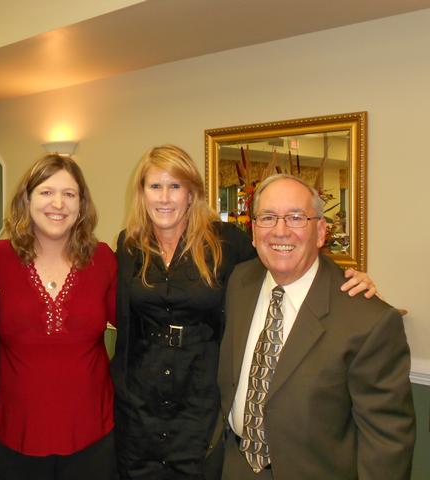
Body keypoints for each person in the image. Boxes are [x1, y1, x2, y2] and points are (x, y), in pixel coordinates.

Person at [111, 145, 378, 480]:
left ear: (191, 193)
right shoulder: (129, 245)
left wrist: (345, 278)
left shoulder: (225, 241)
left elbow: (284, 259)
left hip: (202, 404)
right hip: (140, 403)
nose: (165, 197)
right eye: (155, 186)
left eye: (175, 186)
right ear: (142, 193)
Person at [217, 174, 415, 479]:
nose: (280, 231)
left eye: (296, 217)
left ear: (320, 231)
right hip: (235, 466)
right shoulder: (239, 282)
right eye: (268, 217)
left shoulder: (368, 320)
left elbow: (387, 443)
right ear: (254, 232)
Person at [0, 154, 117, 480]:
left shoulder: (103, 259)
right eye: (46, 192)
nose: (58, 203)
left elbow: (136, 328)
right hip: (14, 435)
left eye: (69, 194)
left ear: (82, 203)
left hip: (92, 434)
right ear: (27, 199)